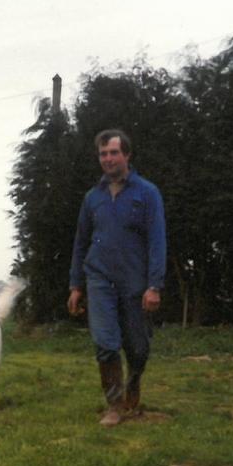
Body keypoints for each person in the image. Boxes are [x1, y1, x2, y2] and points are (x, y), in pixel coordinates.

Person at [67, 129, 166, 426]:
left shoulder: (147, 193)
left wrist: (154, 285)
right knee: (106, 342)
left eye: (113, 153)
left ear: (127, 155)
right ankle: (114, 405)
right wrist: (75, 285)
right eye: (103, 154)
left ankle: (133, 380)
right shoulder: (92, 198)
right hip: (99, 280)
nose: (108, 159)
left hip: (135, 283)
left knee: (137, 346)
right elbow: (80, 242)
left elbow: (157, 240)